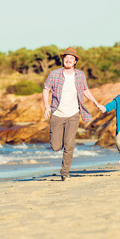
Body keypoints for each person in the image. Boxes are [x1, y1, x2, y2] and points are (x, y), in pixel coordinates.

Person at [43, 47, 101, 181]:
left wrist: (96, 103)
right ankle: (60, 141)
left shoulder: (80, 75)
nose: (68, 60)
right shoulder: (54, 74)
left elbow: (85, 90)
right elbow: (46, 90)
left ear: (75, 61)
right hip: (57, 113)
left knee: (69, 145)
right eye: (66, 57)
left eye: (71, 58)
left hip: (73, 114)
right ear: (63, 59)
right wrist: (47, 106)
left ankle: (65, 173)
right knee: (56, 146)